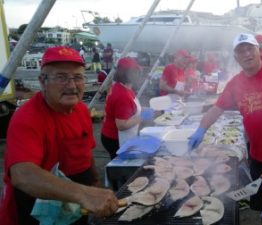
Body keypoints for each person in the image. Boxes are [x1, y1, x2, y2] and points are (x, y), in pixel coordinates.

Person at [0, 46, 119, 225]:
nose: (71, 85)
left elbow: (86, 152)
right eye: (61, 77)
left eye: (77, 77)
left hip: (77, 205)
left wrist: (95, 183)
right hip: (37, 208)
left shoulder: (80, 110)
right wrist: (84, 194)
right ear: (43, 81)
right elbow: (23, 174)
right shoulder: (26, 117)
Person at [188, 33, 262, 221]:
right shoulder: (235, 84)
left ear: (259, 51)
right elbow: (216, 110)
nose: (246, 54)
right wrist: (201, 129)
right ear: (236, 58)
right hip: (258, 157)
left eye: (250, 49)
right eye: (241, 51)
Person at [101, 57, 154, 159]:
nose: (139, 75)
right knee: (119, 165)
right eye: (136, 72)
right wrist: (142, 116)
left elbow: (126, 107)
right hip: (115, 138)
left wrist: (141, 109)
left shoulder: (119, 86)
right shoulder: (123, 95)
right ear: (129, 74)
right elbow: (121, 125)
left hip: (108, 134)